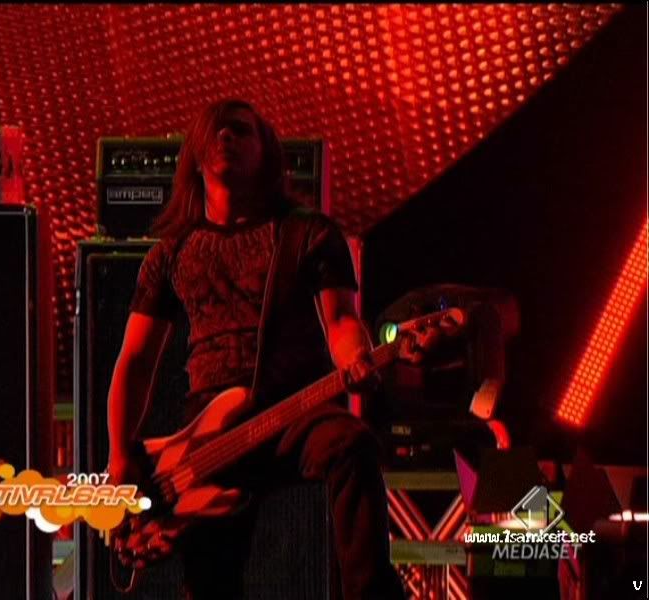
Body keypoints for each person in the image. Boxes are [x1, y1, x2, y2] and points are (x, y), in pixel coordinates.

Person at [107, 98, 432, 599]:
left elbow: (341, 320)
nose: (226, 137)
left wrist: (354, 355)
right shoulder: (170, 254)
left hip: (293, 411)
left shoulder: (309, 233)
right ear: (195, 154)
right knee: (209, 583)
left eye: (241, 130)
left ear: (267, 153)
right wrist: (119, 455)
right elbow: (135, 360)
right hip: (208, 433)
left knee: (352, 444)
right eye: (216, 130)